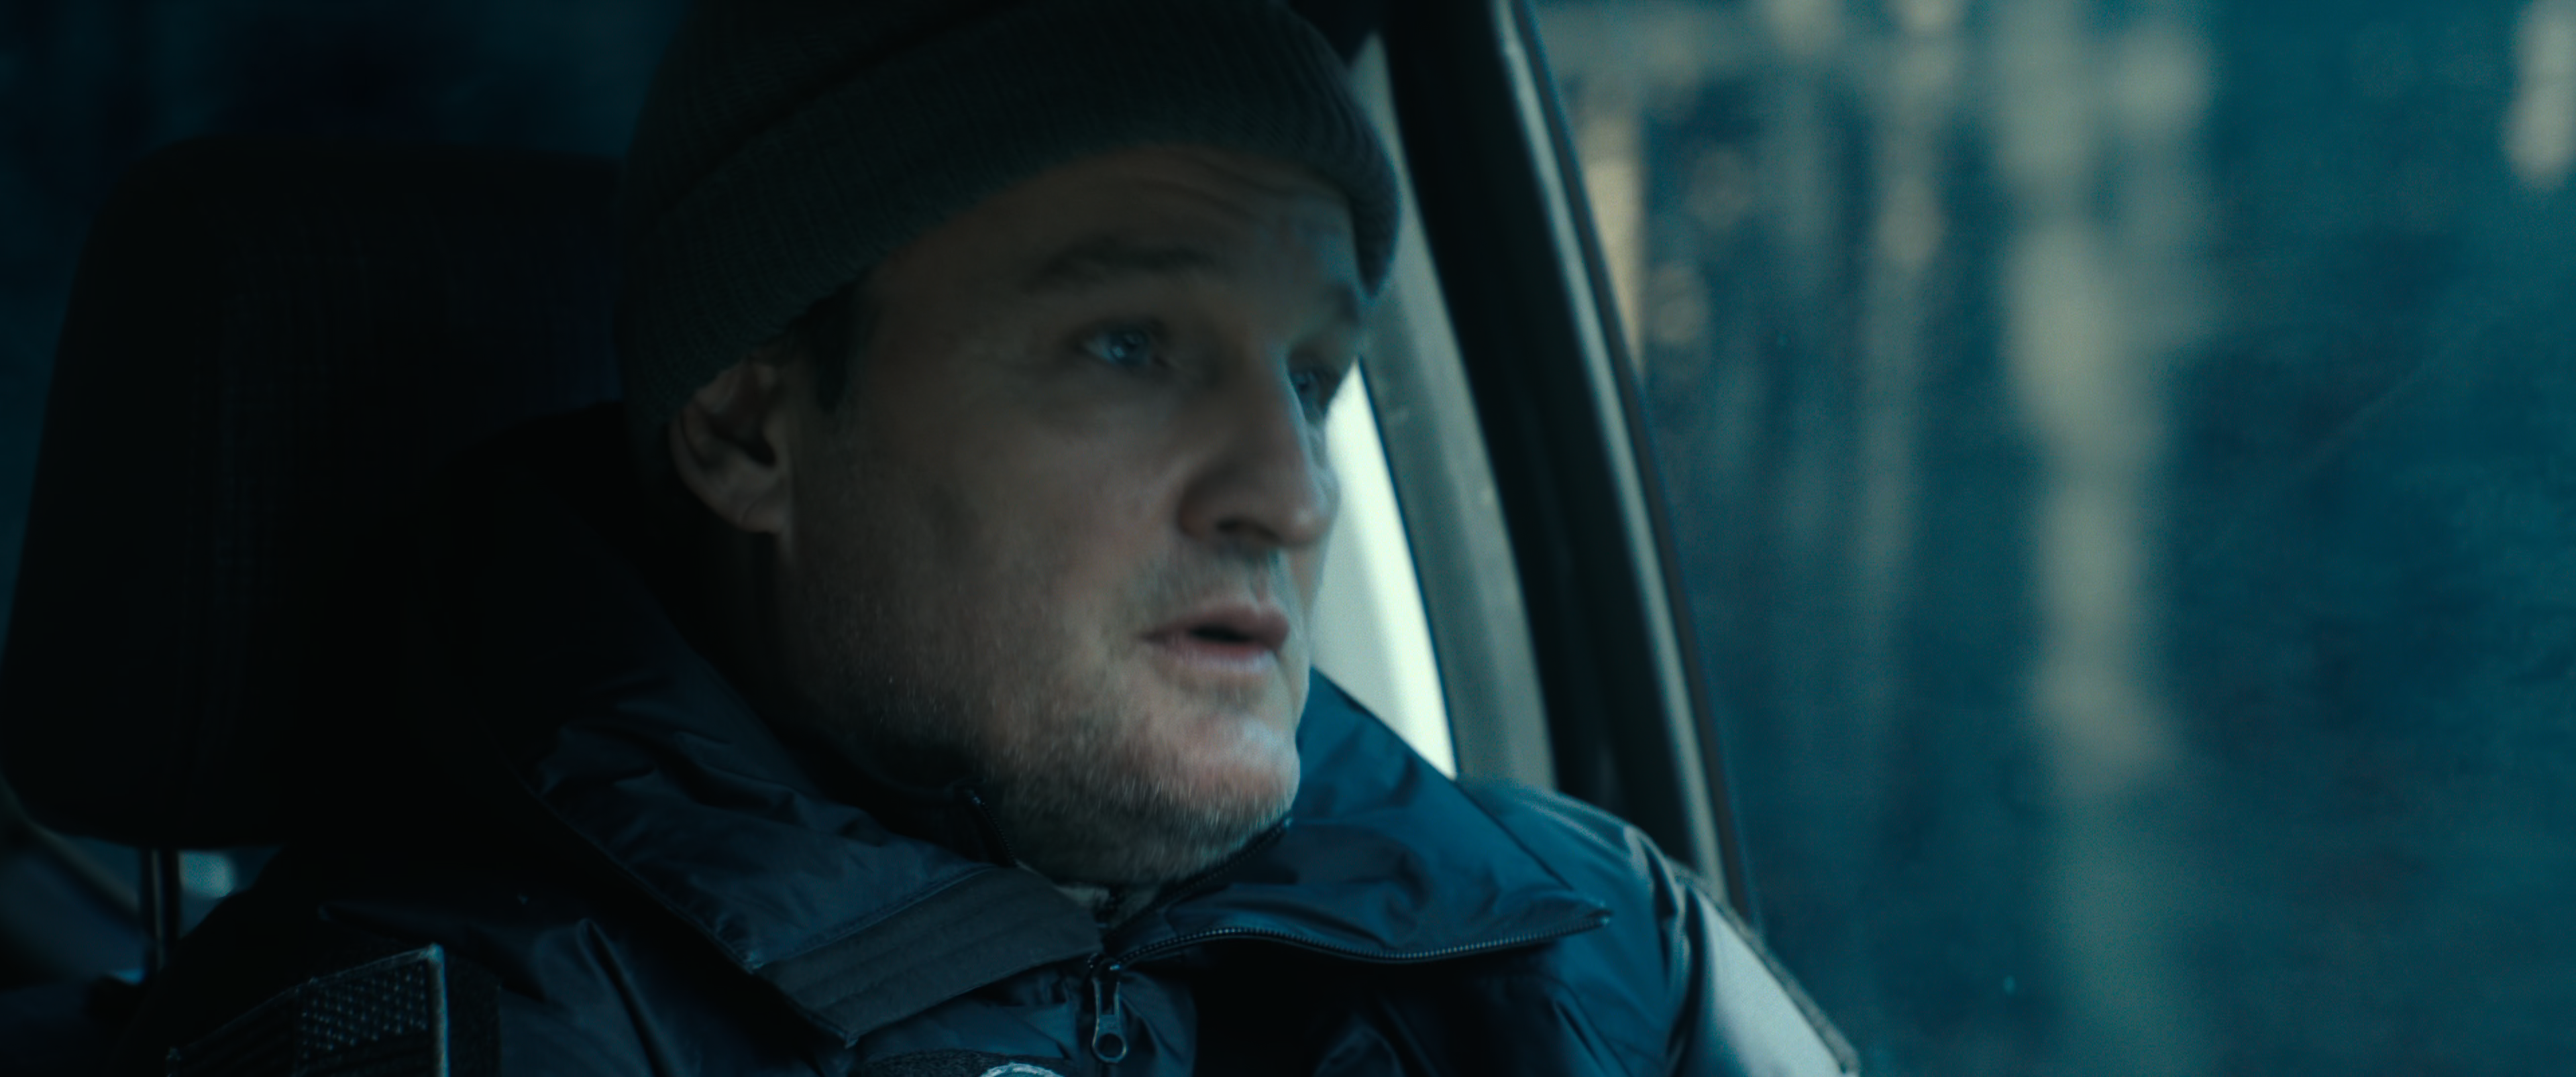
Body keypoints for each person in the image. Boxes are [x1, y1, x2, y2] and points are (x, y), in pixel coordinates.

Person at [116, 1, 1749, 1073]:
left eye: (1312, 378)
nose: (1294, 491)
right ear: (752, 432)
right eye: (1129, 344)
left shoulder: (1596, 940)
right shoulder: (460, 1033)